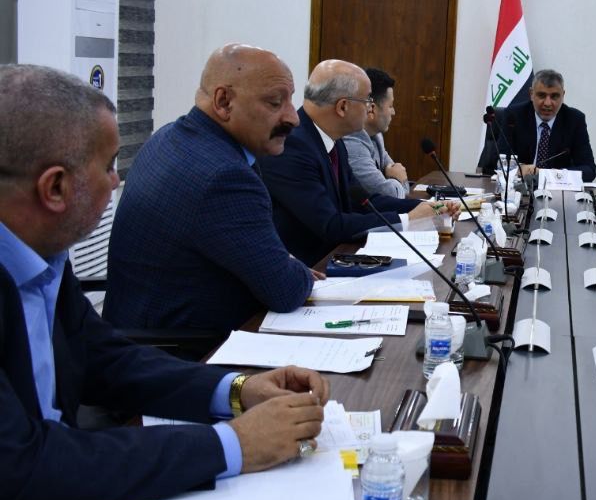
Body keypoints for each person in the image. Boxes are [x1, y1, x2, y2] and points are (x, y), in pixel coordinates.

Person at [0, 64, 329, 500]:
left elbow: (103, 356)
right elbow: (19, 467)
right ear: (55, 187)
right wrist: (234, 444)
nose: (116, 182)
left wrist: (237, 390)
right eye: (109, 166)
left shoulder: (43, 251)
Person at [105, 44, 316, 335]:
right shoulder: (224, 177)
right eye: (275, 102)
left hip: (134, 327)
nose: (293, 117)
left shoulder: (169, 136)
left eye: (291, 100)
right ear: (224, 101)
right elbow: (286, 291)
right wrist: (297, 269)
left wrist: (283, 262)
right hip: (182, 348)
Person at [260, 60, 457, 266]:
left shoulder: (333, 140)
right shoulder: (292, 147)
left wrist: (427, 207)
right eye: (367, 101)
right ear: (343, 106)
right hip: (310, 267)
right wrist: (409, 220)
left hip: (337, 256)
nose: (370, 108)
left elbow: (364, 202)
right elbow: (331, 225)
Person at [478, 69, 596, 182]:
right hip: (519, 188)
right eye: (542, 95)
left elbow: (589, 170)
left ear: (563, 95)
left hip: (554, 191)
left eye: (554, 96)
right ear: (531, 94)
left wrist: (553, 175)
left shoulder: (574, 120)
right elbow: (498, 160)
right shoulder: (514, 116)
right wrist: (519, 168)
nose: (547, 103)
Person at [343, 66, 410, 199]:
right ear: (372, 109)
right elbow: (390, 194)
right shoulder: (352, 144)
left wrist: (396, 180)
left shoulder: (375, 135)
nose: (393, 112)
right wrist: (398, 179)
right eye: (390, 106)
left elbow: (395, 172)